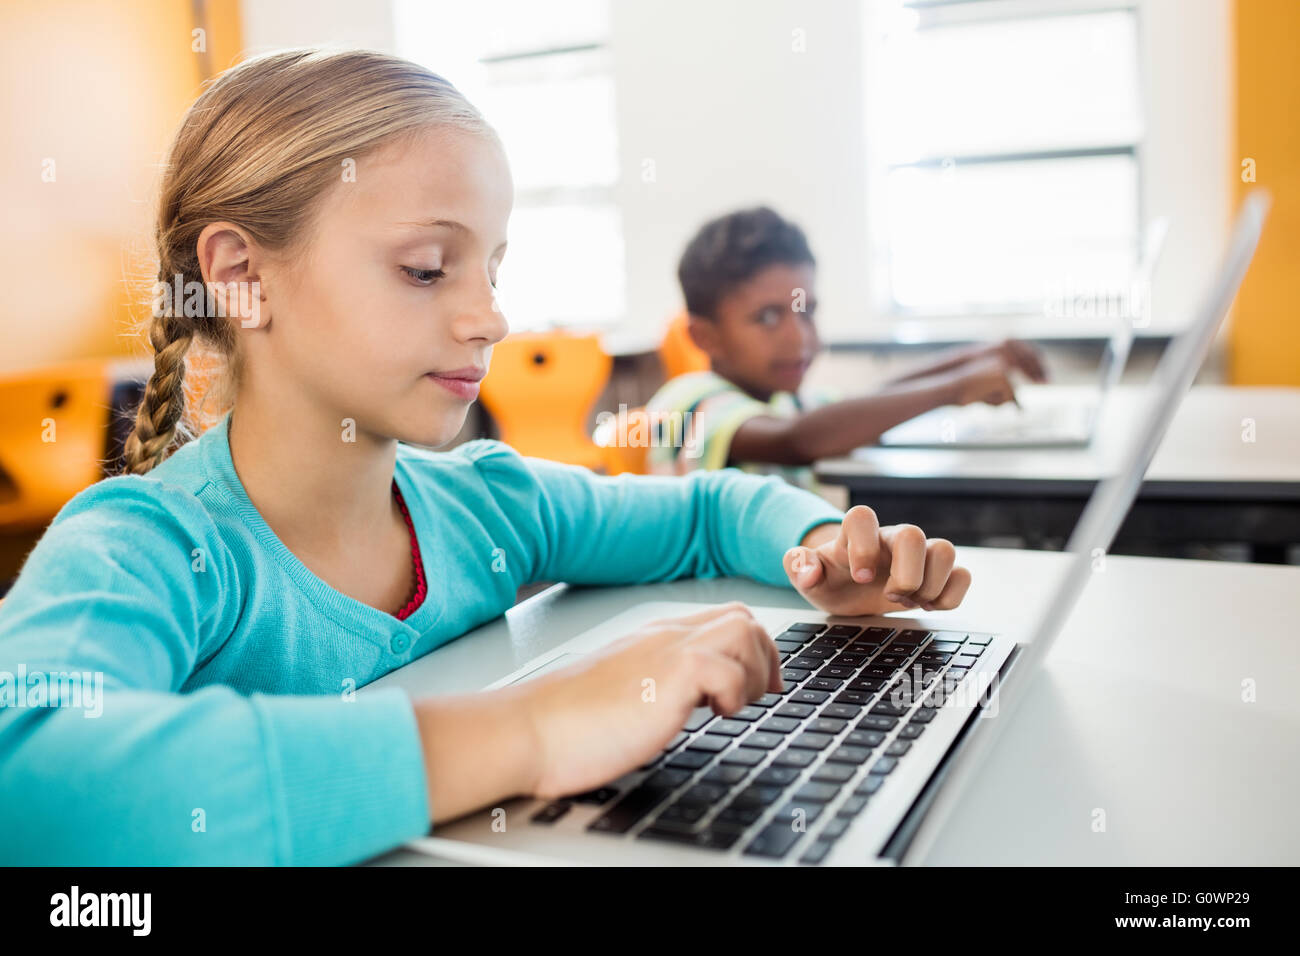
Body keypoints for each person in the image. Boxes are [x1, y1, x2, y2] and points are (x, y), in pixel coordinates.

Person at [0, 50, 970, 865]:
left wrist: (823, 553)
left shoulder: (485, 502)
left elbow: (709, 512)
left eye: (492, 267)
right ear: (241, 276)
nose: (490, 315)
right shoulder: (142, 547)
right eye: (427, 267)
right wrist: (537, 729)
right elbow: (29, 773)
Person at [646, 206, 1048, 490]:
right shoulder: (687, 404)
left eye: (807, 312)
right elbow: (797, 441)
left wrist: (973, 356)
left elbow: (868, 403)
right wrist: (954, 389)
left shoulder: (782, 403)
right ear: (704, 336)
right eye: (768, 317)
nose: (800, 337)